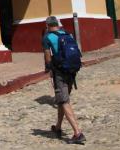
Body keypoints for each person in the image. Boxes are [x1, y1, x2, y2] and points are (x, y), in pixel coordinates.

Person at [42, 16, 85, 144]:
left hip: (60, 71)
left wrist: (48, 68)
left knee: (64, 100)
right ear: (58, 24)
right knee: (62, 98)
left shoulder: (47, 37)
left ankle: (77, 133)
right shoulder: (67, 34)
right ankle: (58, 127)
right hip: (72, 70)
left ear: (47, 26)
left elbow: (47, 56)